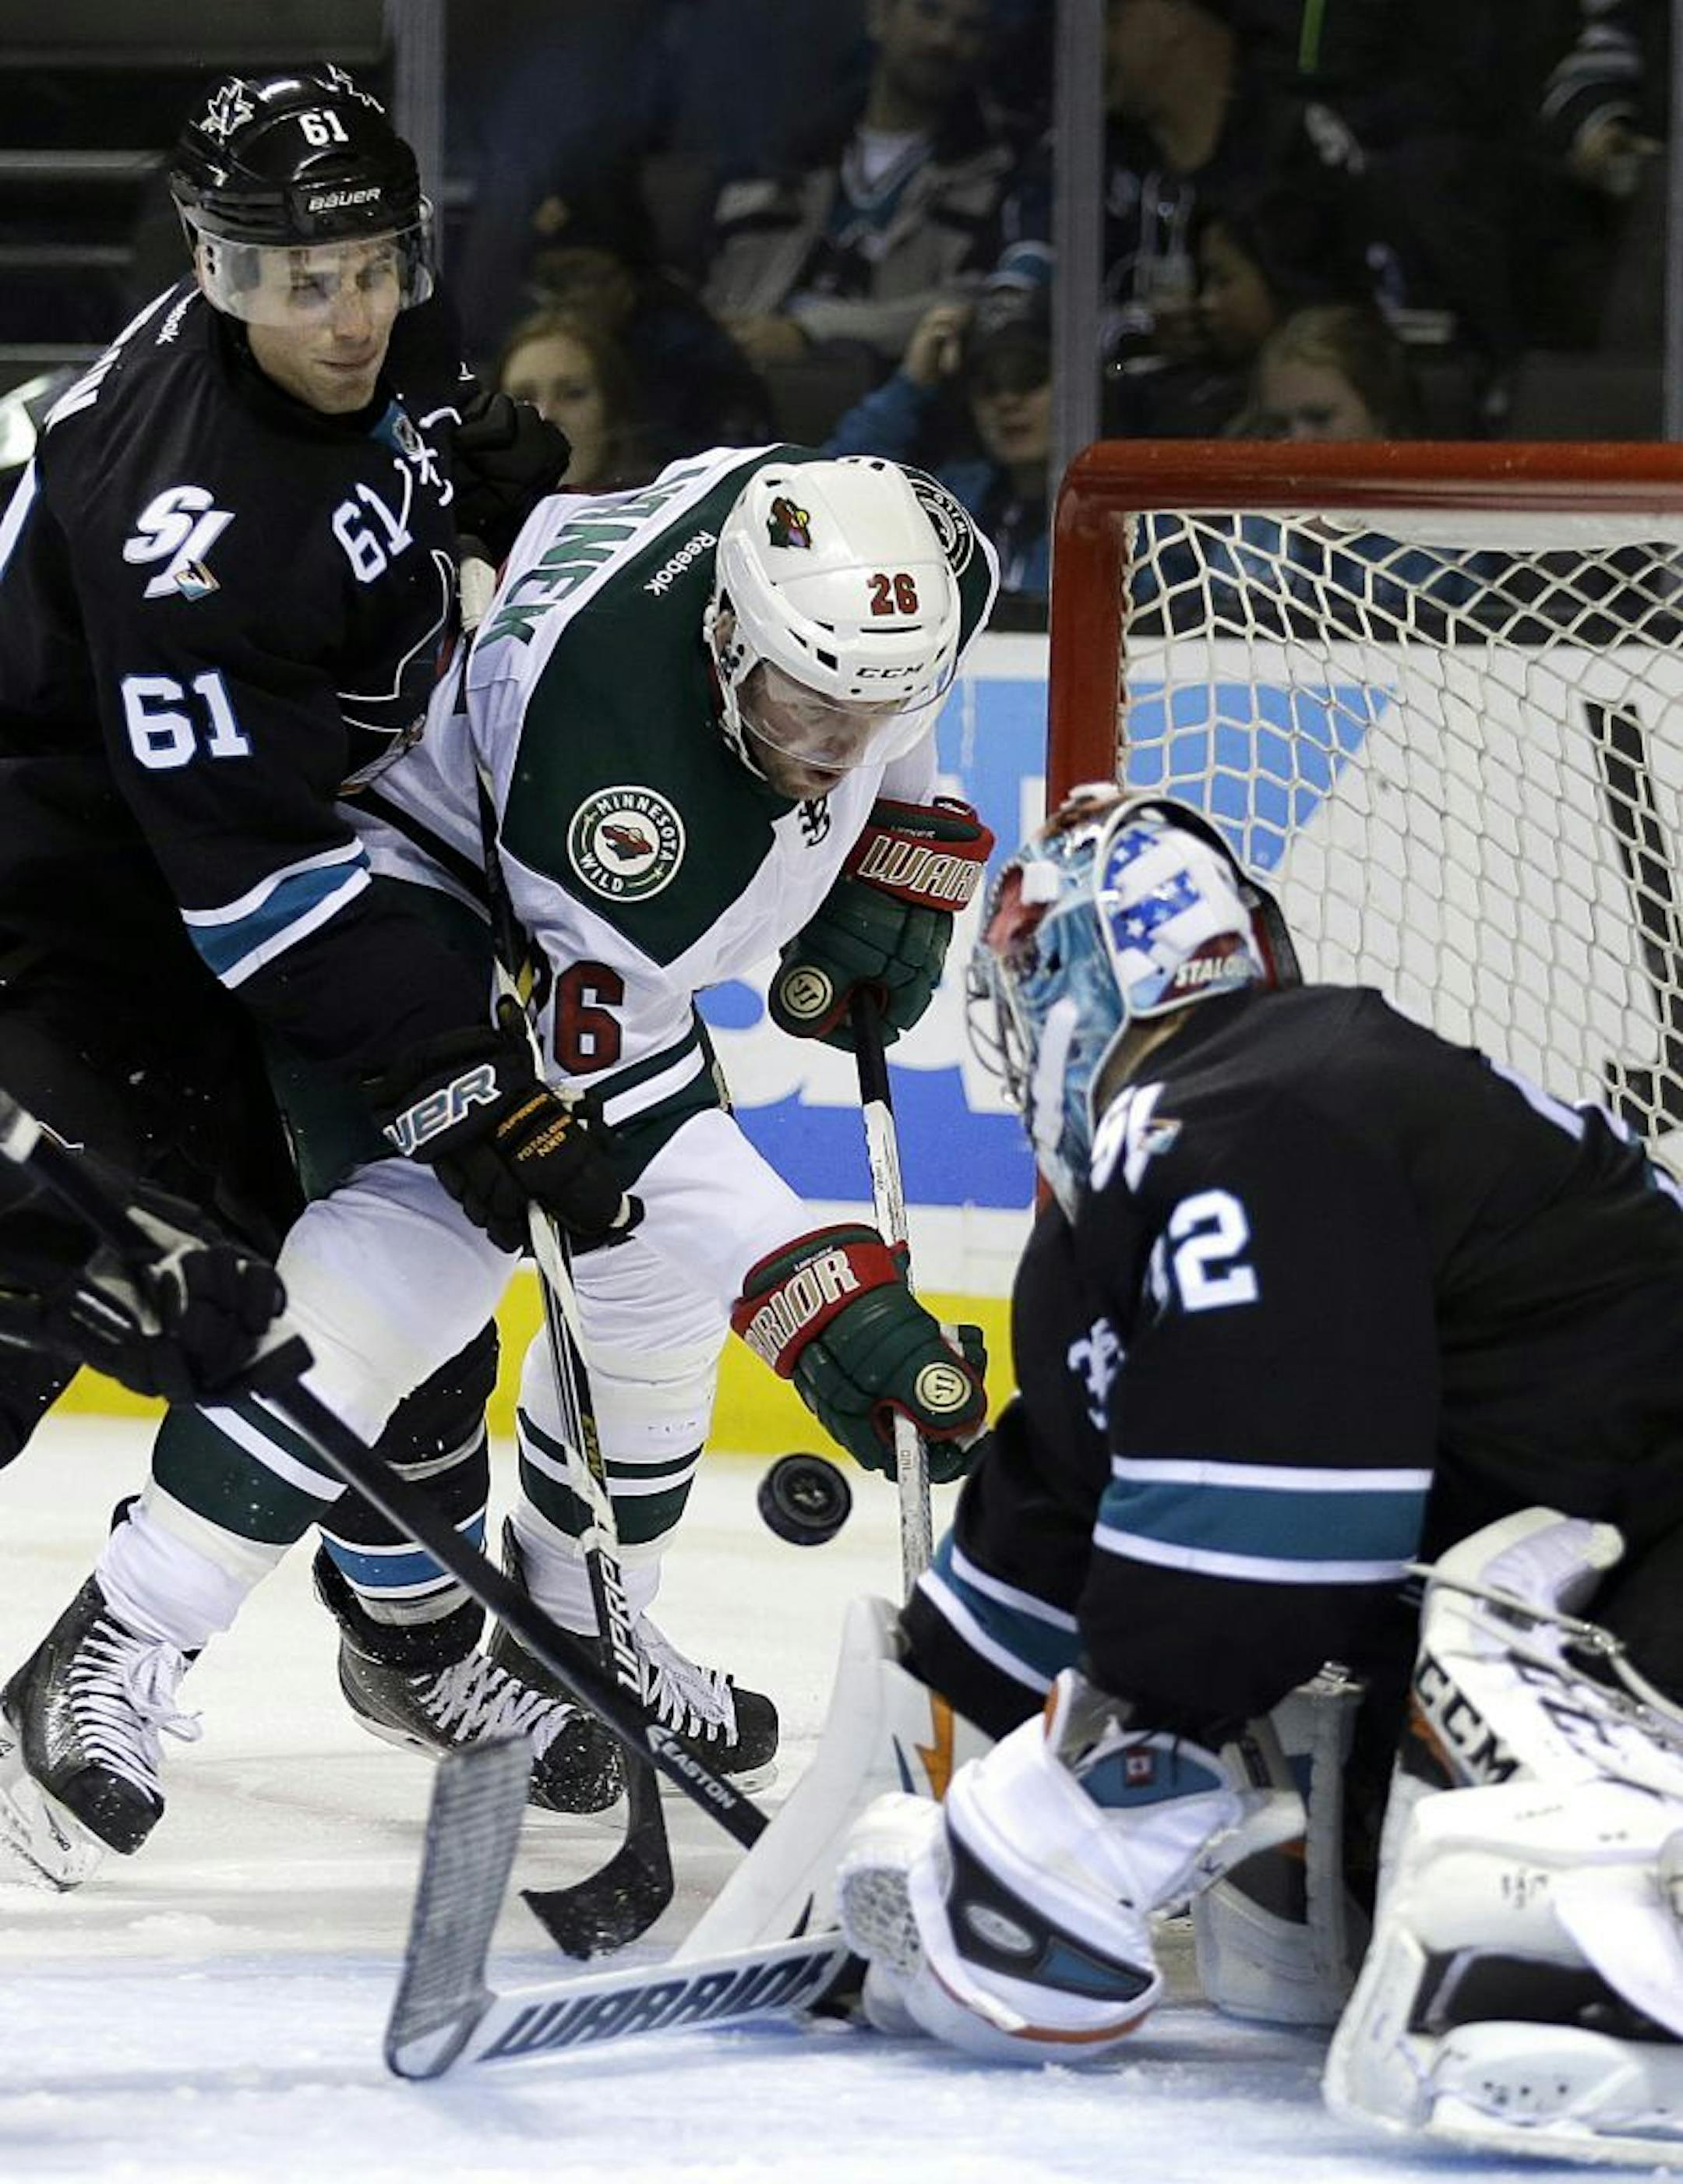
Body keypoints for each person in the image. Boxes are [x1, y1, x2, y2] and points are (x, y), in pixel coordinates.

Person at [0, 449, 1000, 1888]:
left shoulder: (884, 549)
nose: (832, 751)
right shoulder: (617, 786)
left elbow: (889, 682)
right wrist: (825, 1298)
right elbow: (629, 1106)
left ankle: (586, 1620)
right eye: (806, 712)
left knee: (646, 1279)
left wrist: (903, 820)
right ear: (728, 636)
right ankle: (124, 1629)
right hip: (414, 877)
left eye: (872, 714)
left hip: (569, 915)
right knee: (425, 1253)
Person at [795, 790, 1683, 2125]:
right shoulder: (1136, 1202)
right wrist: (846, 1857)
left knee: (1508, 1953)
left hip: (1641, 1559)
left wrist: (1118, 1757)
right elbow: (1044, 1537)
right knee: (1361, 1911)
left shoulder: (1261, 1102)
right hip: (1606, 1568)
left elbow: (1284, 1512)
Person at [0, 65, 637, 1838]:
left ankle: (417, 1634)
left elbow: (400, 485)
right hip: (68, 900)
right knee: (134, 1282)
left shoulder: (367, 344)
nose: (347, 310)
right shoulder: (175, 517)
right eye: (300, 277)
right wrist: (468, 1080)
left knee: (370, 1277)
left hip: (184, 868)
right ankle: (167, 1654)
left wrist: (476, 491)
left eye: (371, 261)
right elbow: (258, 890)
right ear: (211, 267)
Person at [702, 0, 1021, 380]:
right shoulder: (780, 163)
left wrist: (809, 331)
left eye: (969, 27)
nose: (943, 39)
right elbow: (709, 295)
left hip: (907, 415)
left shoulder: (1004, 173)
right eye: (929, 12)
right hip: (744, 405)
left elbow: (979, 306)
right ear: (879, 15)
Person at [827, 290, 1050, 600]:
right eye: (988, 385)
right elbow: (830, 490)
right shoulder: (947, 499)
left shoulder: (1122, 521)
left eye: (1030, 379)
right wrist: (910, 385)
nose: (1007, 401)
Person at [496, 308, 651, 493]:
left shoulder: (667, 516)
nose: (545, 415)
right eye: (523, 399)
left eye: (572, 394)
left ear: (612, 411)